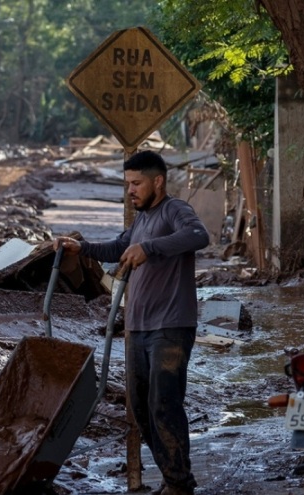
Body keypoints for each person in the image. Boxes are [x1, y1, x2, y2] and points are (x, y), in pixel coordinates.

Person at [53, 149, 209, 495]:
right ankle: (175, 478)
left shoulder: (175, 210)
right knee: (140, 409)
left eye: (137, 183)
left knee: (163, 404)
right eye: (127, 184)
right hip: (137, 328)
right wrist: (83, 247)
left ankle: (179, 485)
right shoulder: (140, 221)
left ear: (158, 181)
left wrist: (150, 249)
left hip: (170, 326)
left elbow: (200, 236)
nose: (131, 191)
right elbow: (119, 248)